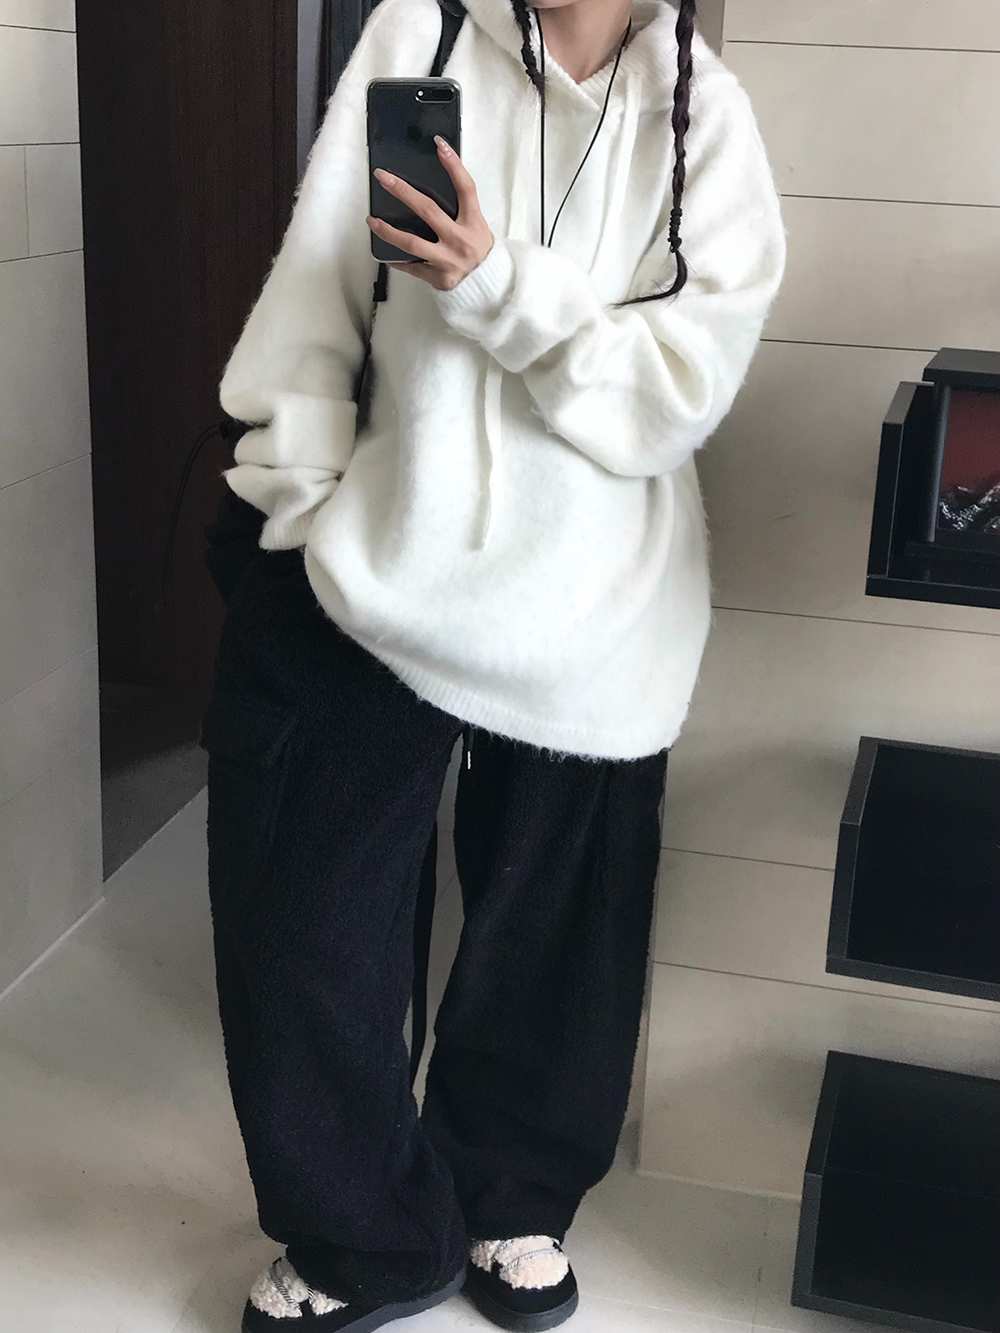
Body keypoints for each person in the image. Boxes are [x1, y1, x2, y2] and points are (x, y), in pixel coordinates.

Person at [200, 0, 786, 1327]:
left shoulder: (702, 112)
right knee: (303, 920)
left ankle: (508, 1196)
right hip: (375, 557)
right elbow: (315, 290)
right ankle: (363, 1236)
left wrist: (496, 284)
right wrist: (294, 492)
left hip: (598, 590)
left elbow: (679, 391)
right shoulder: (420, 31)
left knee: (558, 932)